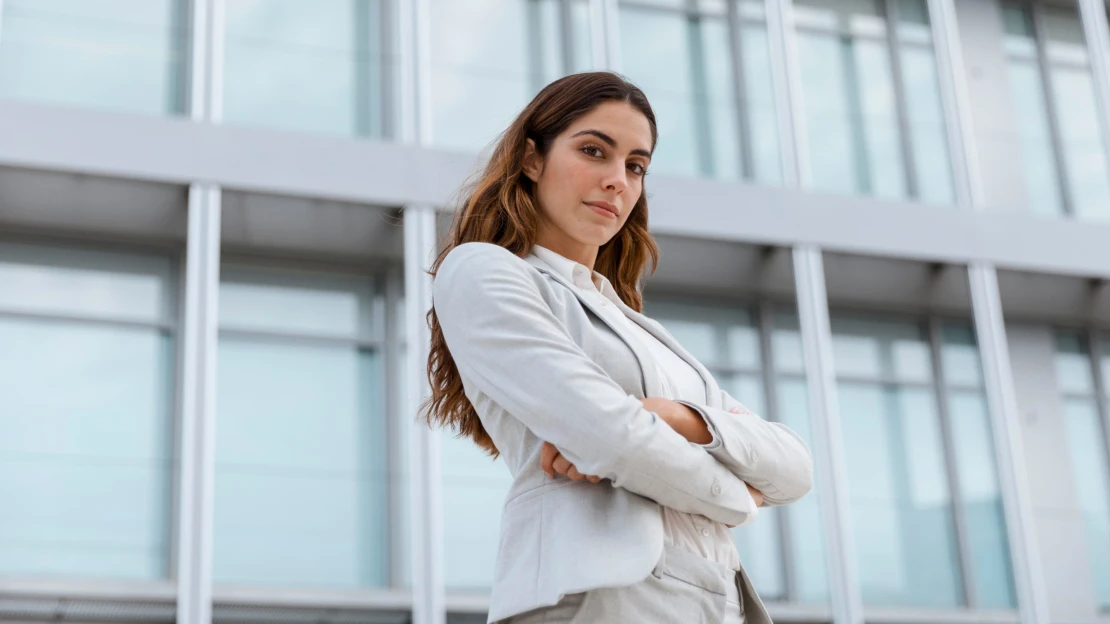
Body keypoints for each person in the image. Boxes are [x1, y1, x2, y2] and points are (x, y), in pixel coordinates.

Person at [422, 71, 813, 624]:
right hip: (603, 596)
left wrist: (676, 416)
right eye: (593, 151)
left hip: (717, 599)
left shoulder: (635, 325)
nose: (617, 181)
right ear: (532, 159)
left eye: (635, 166)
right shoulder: (485, 271)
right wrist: (742, 498)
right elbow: (613, 438)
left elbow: (794, 467)